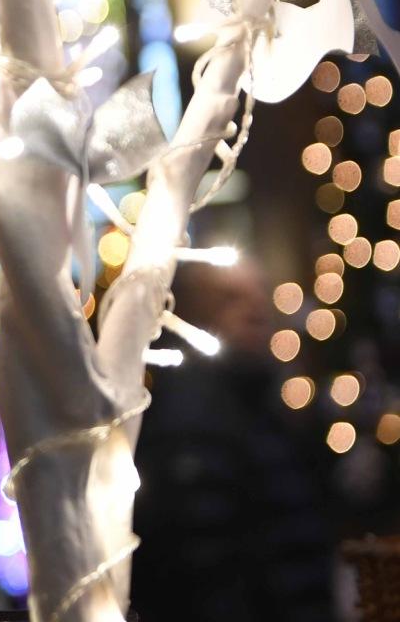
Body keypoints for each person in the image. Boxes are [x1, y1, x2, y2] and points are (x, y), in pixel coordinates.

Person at [130, 257, 334, 622]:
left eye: (259, 294)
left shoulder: (263, 402)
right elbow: (202, 565)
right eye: (231, 298)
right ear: (193, 310)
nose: (256, 309)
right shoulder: (188, 421)